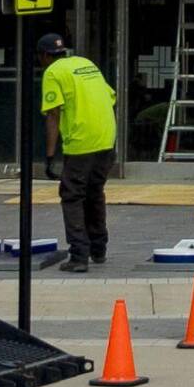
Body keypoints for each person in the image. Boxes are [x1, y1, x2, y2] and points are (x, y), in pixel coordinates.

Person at [39, 33, 121, 272]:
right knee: (95, 191)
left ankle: (78, 256)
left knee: (72, 194)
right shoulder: (86, 64)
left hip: (81, 140)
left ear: (44, 56)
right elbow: (110, 96)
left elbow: (53, 115)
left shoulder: (53, 73)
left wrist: (50, 156)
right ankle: (99, 248)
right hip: (106, 137)